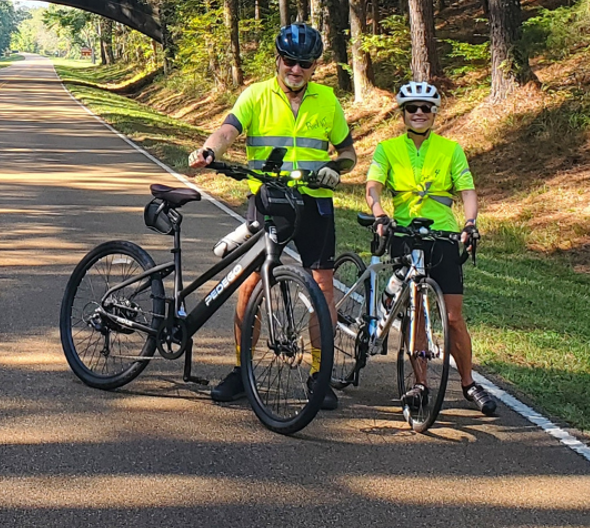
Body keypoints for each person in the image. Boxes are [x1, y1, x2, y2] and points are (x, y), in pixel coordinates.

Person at [188, 22, 357, 408]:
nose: (296, 70)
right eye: (289, 61)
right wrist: (209, 151)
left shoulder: (327, 100)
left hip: (313, 203)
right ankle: (240, 369)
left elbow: (349, 152)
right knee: (249, 285)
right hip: (268, 201)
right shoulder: (256, 95)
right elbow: (228, 130)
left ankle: (320, 373)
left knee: (322, 289)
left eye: (306, 64)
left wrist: (338, 167)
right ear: (277, 60)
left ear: (315, 67)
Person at [364, 80, 498, 416]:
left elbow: (467, 190)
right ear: (403, 113)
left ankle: (468, 383)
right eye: (412, 108)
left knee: (453, 317)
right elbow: (373, 186)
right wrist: (379, 213)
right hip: (406, 235)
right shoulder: (387, 149)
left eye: (426, 108)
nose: (419, 113)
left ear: (434, 112)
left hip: (443, 237)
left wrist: (470, 223)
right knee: (418, 316)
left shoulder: (451, 149)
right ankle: (420, 384)